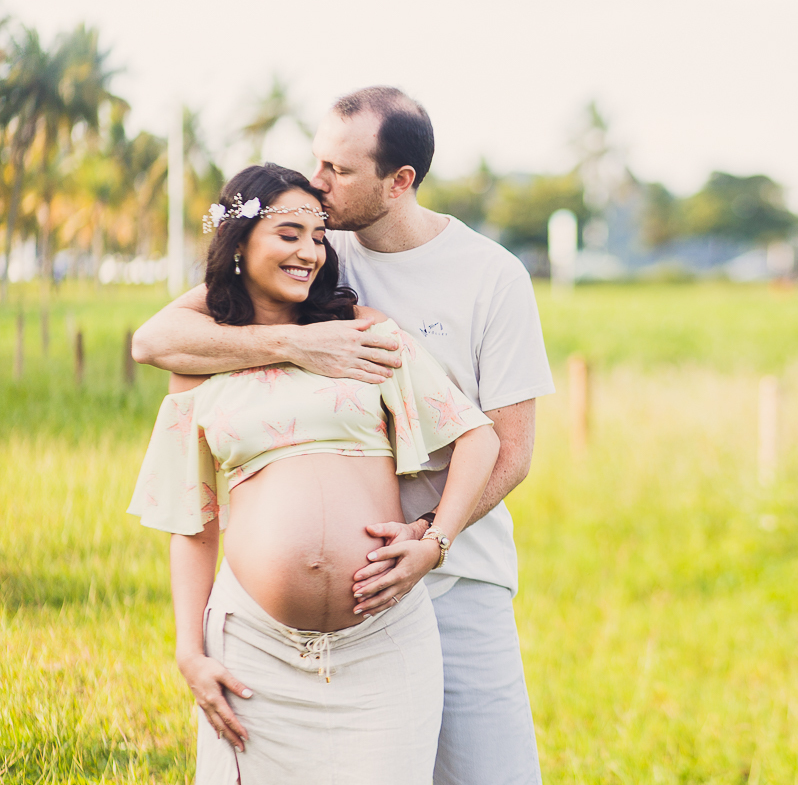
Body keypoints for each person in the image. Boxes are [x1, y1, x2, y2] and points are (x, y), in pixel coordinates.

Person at [133, 87, 554, 784]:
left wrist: (427, 539)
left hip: (455, 570)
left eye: (338, 171)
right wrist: (301, 346)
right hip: (280, 627)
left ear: (400, 182)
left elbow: (508, 447)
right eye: (316, 163)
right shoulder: (319, 255)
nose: (317, 188)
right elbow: (156, 340)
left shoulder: (490, 276)